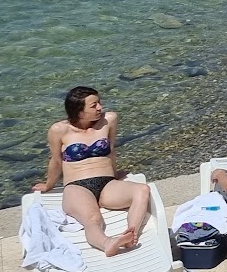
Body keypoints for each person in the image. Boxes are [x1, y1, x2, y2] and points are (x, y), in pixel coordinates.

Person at [31, 87, 152, 257]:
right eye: (94, 105)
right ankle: (107, 243)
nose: (100, 108)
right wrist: (48, 185)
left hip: (107, 184)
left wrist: (115, 174)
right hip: (77, 186)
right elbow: (56, 161)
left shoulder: (108, 120)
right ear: (79, 112)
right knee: (93, 220)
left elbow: (110, 149)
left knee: (142, 190)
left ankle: (131, 234)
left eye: (99, 103)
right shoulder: (59, 130)